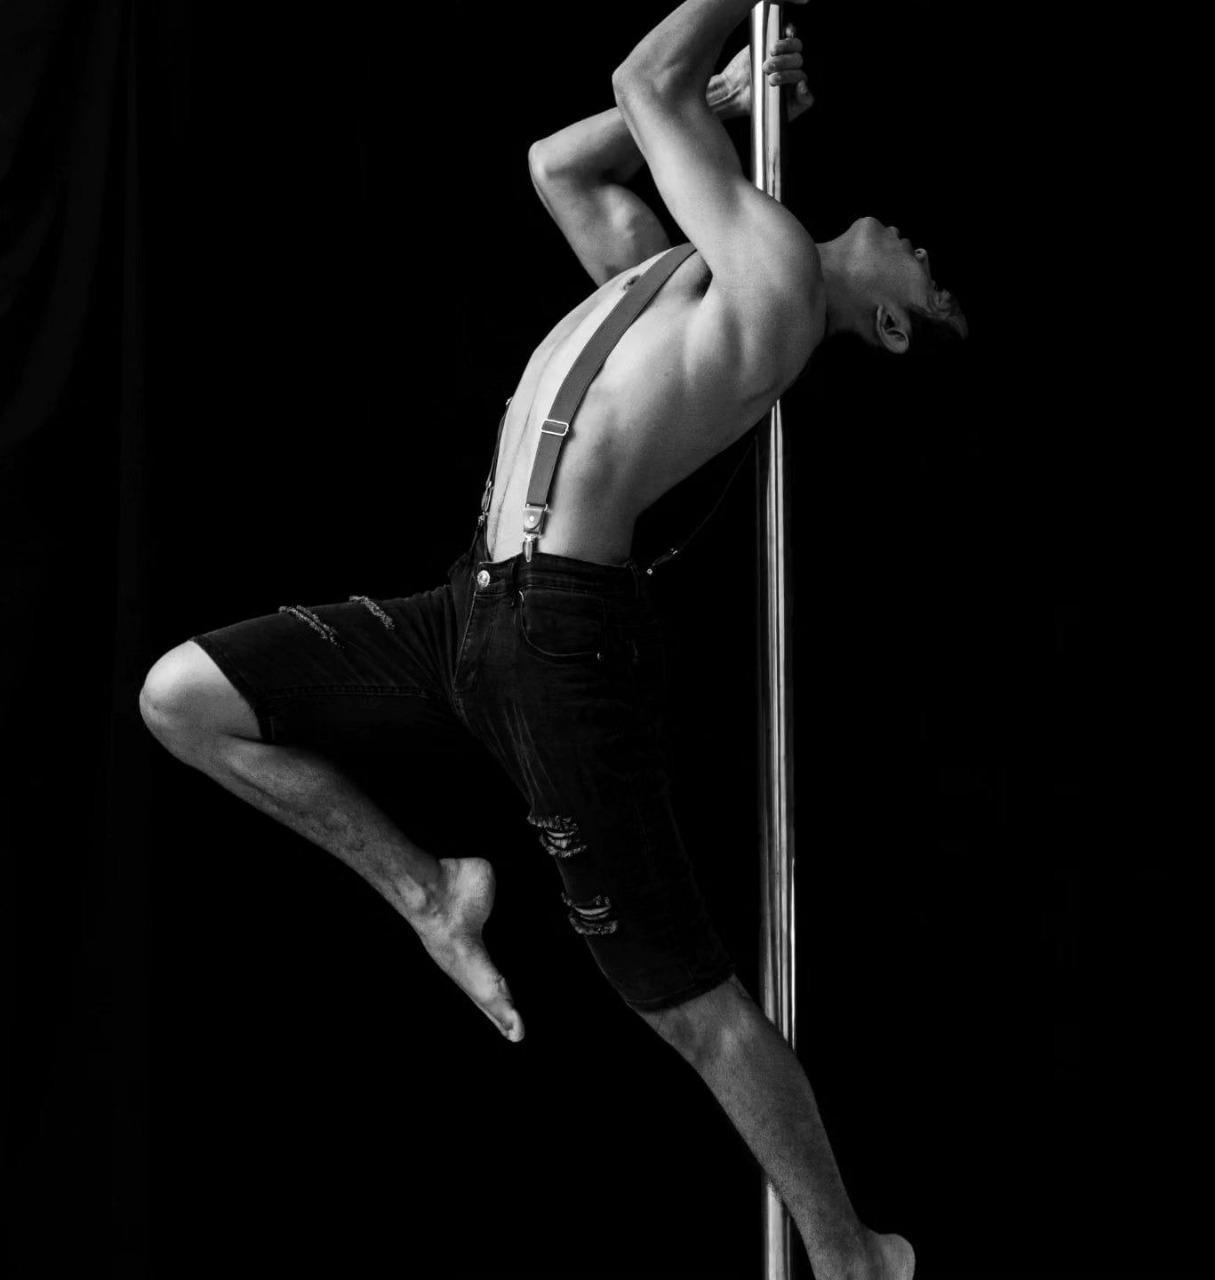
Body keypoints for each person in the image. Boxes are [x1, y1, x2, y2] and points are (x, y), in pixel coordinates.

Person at [140, 2, 964, 1276]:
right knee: (179, 697)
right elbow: (559, 166)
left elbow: (645, 82)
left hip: (562, 636)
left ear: (895, 328)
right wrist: (728, 104)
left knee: (687, 1002)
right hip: (472, 605)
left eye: (935, 287)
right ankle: (431, 891)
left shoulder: (778, 289)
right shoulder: (676, 272)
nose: (923, 252)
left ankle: (849, 1254)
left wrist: (699, 87)